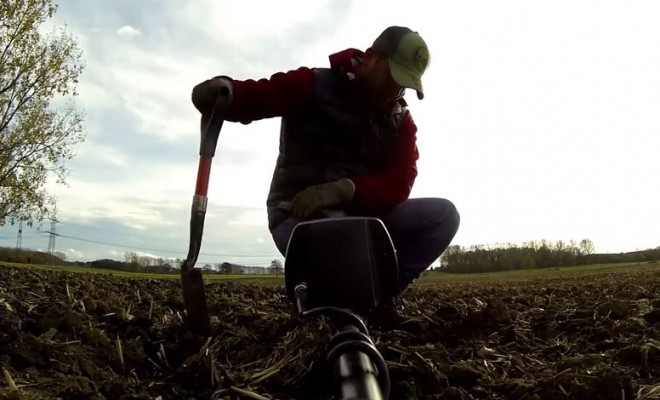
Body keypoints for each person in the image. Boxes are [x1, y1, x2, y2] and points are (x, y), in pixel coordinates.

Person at [191, 26, 460, 329]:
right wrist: (226, 91)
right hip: (297, 215)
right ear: (371, 58)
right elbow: (260, 95)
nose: (396, 92)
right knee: (339, 242)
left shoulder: (399, 121)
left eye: (405, 86)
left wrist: (344, 190)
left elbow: (401, 180)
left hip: (364, 220)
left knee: (444, 216)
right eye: (394, 78)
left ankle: (381, 296)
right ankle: (327, 302)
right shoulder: (315, 84)